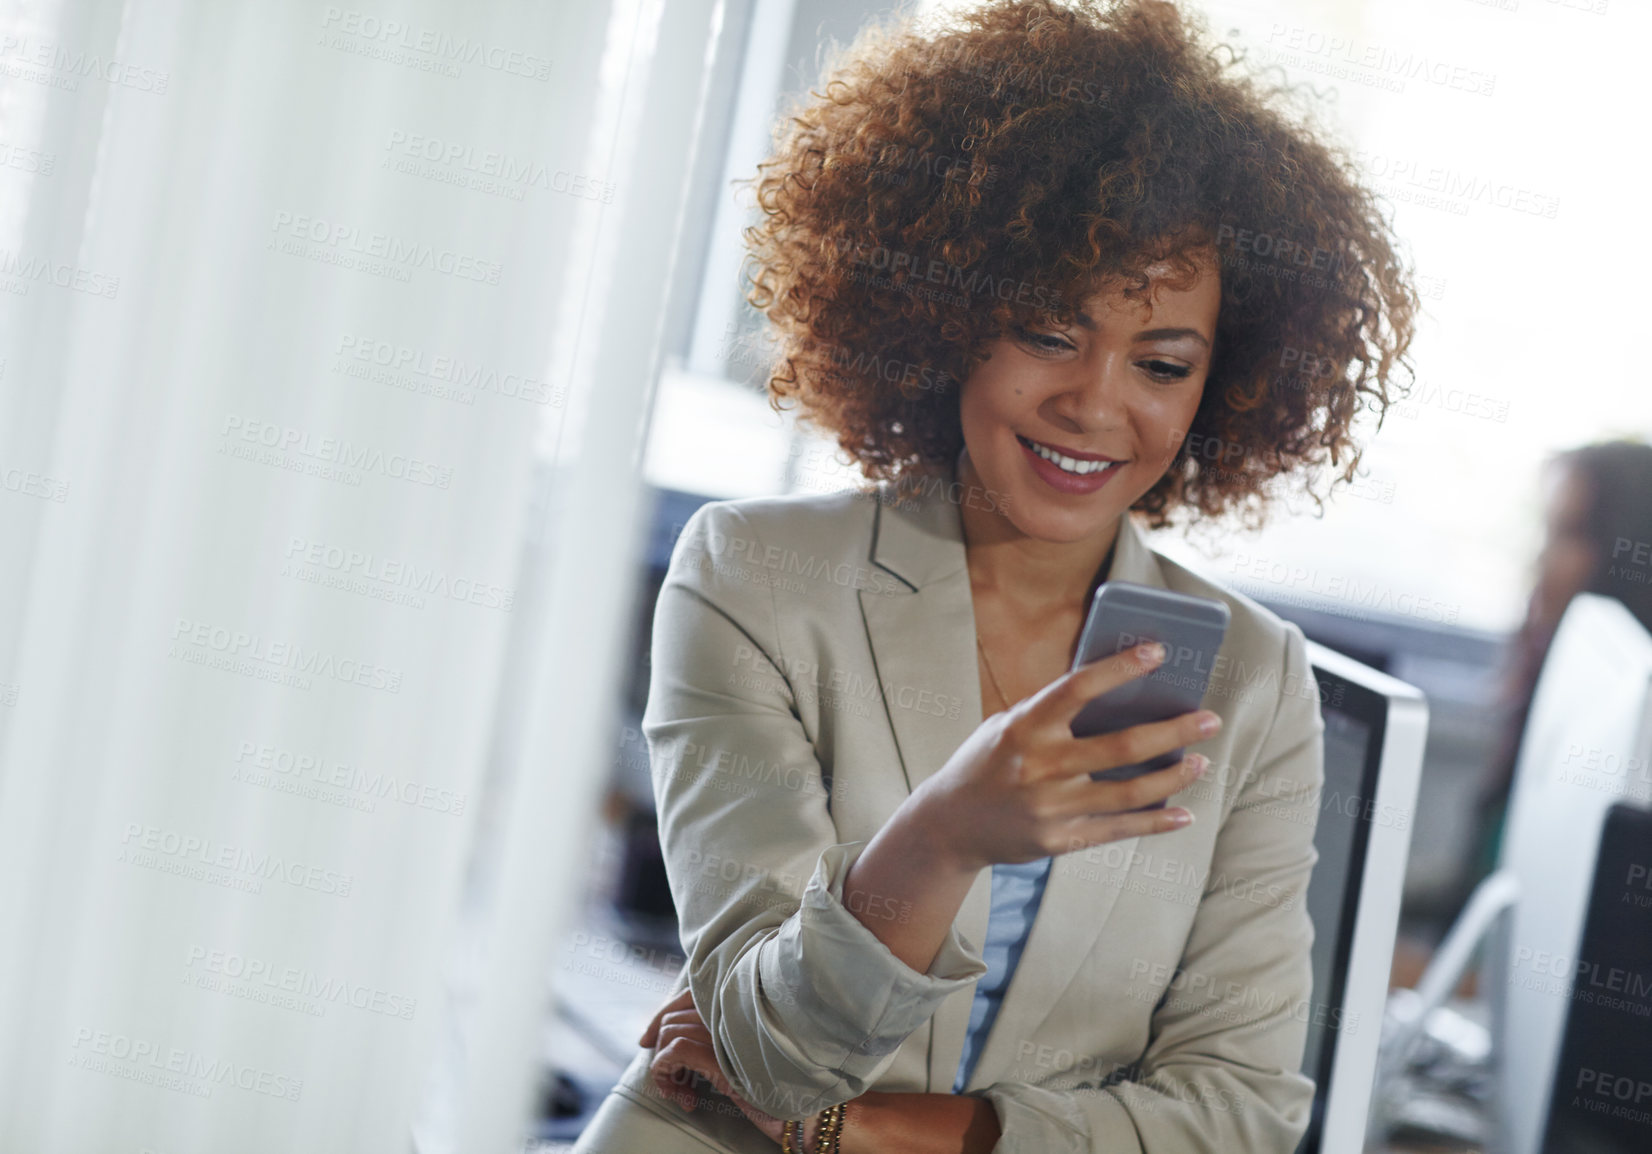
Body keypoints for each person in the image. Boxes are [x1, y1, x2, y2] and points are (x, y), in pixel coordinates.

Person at [572, 0, 1416, 1150]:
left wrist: (858, 1131)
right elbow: (769, 1045)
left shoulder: (1256, 678)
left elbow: (1238, 1115)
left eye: (1160, 361)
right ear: (944, 317)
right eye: (1048, 333)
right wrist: (941, 835)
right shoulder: (755, 576)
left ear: (1221, 386)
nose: (1094, 403)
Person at [1465, 440, 1652, 889]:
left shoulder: (1632, 733)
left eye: (1570, 534)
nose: (1541, 559)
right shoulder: (1548, 694)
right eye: (1547, 531)